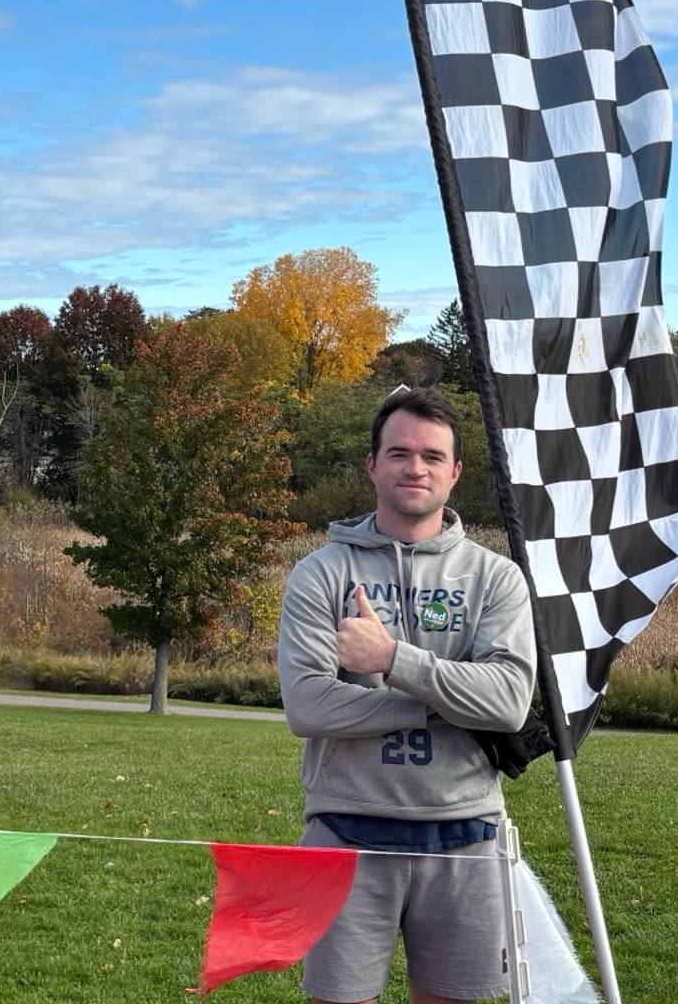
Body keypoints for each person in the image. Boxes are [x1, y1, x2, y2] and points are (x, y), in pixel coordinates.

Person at [276, 387, 536, 1004]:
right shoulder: (322, 572)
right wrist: (440, 699)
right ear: (372, 465)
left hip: (466, 835)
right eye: (398, 453)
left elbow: (507, 704)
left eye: (430, 455)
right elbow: (309, 706)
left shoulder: (494, 577)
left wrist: (391, 660)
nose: (414, 467)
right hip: (345, 834)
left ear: (455, 472)